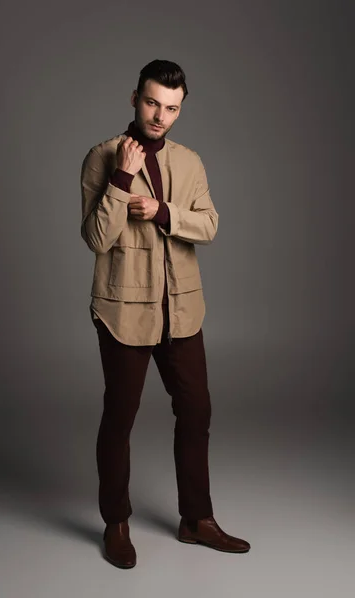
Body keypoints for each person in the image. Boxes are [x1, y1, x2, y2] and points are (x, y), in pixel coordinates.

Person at [80, 59, 250, 568]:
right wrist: (122, 179)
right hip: (124, 312)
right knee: (120, 418)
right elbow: (96, 238)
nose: (160, 116)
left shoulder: (190, 162)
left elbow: (210, 225)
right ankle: (115, 522)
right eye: (153, 103)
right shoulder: (102, 156)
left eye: (171, 108)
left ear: (181, 107)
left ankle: (196, 519)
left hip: (182, 311)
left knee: (197, 411)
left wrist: (163, 213)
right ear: (134, 98)